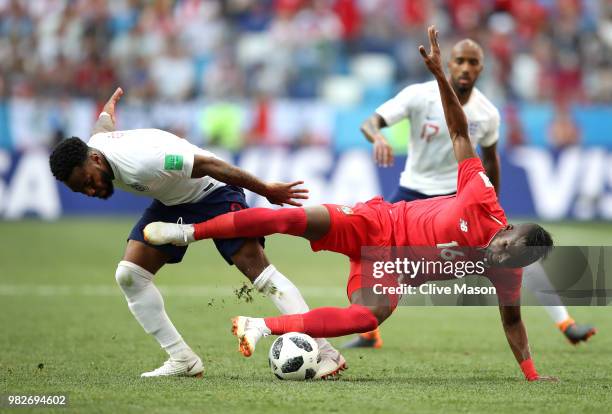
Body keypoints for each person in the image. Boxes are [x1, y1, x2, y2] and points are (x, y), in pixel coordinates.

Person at [144, 27, 557, 381]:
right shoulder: (481, 198)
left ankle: (259, 325)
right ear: (505, 230)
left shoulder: (507, 273)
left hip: (389, 270)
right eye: (503, 247)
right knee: (291, 219)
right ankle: (189, 231)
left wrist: (533, 376)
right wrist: (437, 76)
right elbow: (458, 131)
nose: (497, 257)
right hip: (375, 223)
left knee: (368, 318)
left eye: (507, 261)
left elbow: (513, 322)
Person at [48, 87, 345, 379]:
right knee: (129, 276)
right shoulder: (96, 145)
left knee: (260, 273)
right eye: (80, 190)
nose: (90, 191)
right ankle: (182, 359)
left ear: (96, 160)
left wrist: (266, 189)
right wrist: (107, 108)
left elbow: (208, 164)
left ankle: (326, 351)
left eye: (88, 181)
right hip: (173, 202)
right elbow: (103, 126)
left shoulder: (143, 162)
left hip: (215, 193)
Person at [349, 36, 595, 349]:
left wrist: (494, 212)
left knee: (521, 253)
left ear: (481, 68)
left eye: (473, 62)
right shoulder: (418, 95)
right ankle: (369, 333)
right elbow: (371, 122)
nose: (465, 68)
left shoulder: (487, 113)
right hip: (411, 194)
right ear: (448, 63)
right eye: (460, 61)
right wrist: (378, 138)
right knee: (366, 251)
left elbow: (491, 162)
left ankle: (566, 323)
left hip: (457, 202)